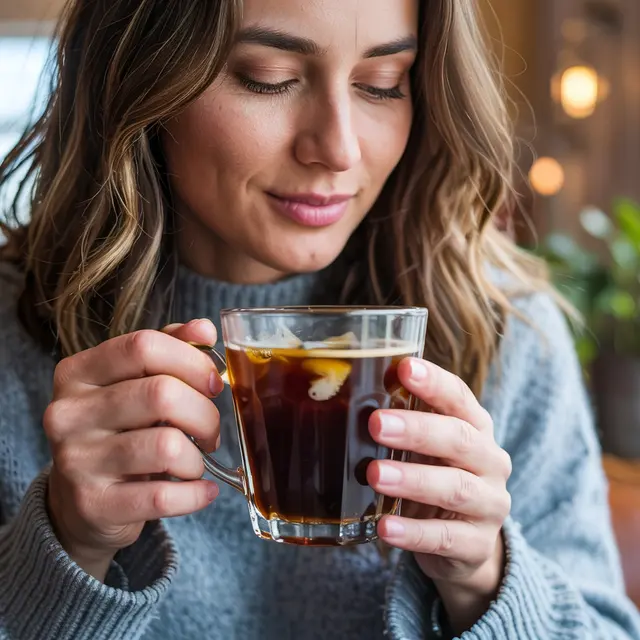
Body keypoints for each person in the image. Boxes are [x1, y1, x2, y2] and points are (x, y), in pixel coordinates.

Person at [0, 0, 638, 638]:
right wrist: (65, 548)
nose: (338, 149)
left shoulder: (501, 324)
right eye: (269, 77)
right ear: (138, 75)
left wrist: (487, 580)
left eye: (381, 85)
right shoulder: (13, 335)